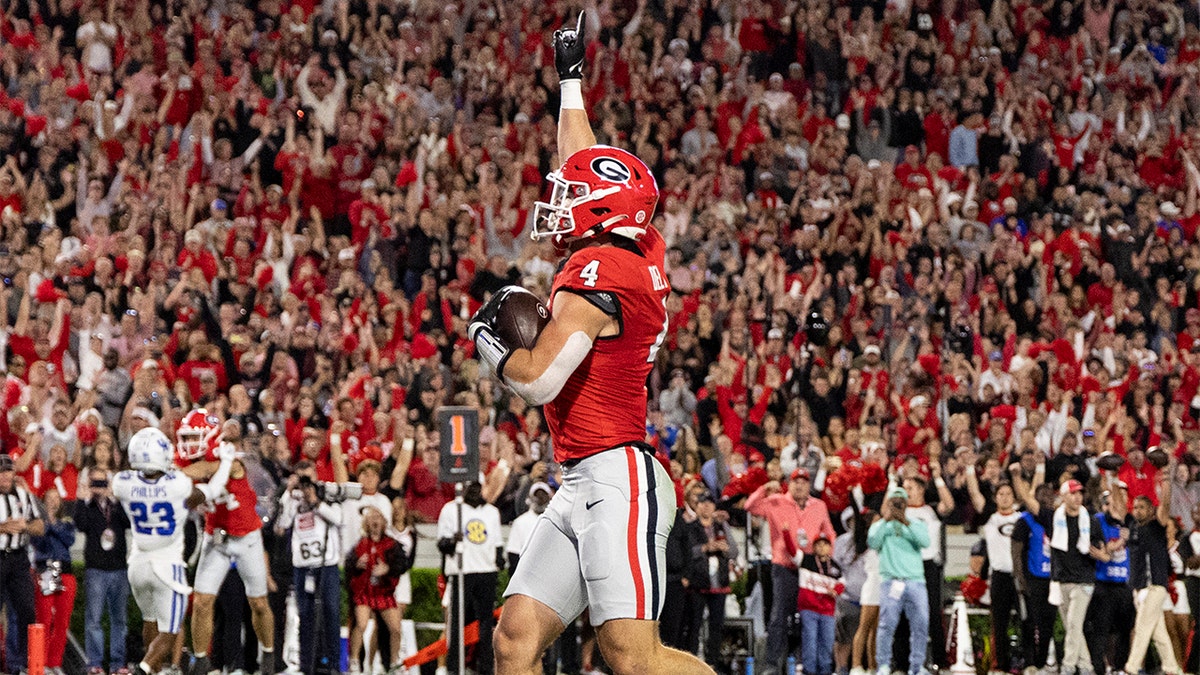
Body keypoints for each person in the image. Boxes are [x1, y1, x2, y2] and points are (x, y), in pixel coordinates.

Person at [470, 14, 712, 675]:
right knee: (516, 637)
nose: (559, 195)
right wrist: (570, 80)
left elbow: (539, 381)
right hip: (580, 476)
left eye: (573, 195)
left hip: (616, 477)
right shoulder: (631, 241)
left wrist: (485, 339)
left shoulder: (597, 275)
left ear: (604, 211)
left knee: (632, 659)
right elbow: (582, 158)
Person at [113, 427, 235, 675]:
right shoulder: (176, 485)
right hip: (167, 565)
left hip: (137, 563)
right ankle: (145, 669)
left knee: (150, 620)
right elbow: (209, 491)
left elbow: (136, 478)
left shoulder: (122, 483)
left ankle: (152, 670)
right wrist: (226, 462)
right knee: (170, 631)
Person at [184, 413, 290, 675]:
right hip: (216, 537)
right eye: (186, 437)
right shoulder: (188, 461)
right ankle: (200, 660)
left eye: (194, 437)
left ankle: (267, 652)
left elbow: (206, 470)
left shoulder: (226, 459)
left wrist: (169, 471)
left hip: (246, 538)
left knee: (259, 603)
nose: (189, 443)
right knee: (201, 602)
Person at [744, 468, 836, 673]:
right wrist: (765, 489)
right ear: (789, 484)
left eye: (804, 481)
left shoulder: (819, 505)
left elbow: (830, 533)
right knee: (779, 615)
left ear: (809, 485)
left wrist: (824, 559)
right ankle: (772, 664)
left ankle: (805, 663)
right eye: (796, 481)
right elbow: (750, 506)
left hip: (810, 569)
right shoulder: (776, 501)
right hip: (783, 566)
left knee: (809, 616)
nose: (800, 485)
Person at [275, 460, 343, 675]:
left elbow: (338, 518)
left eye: (308, 476)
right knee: (306, 615)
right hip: (303, 567)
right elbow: (283, 524)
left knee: (331, 612)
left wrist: (316, 501)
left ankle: (333, 664)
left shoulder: (327, 492)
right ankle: (306, 665)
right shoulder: (293, 498)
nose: (305, 482)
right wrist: (289, 493)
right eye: (301, 476)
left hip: (326, 564)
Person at [437, 481, 503, 675]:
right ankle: (454, 666)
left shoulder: (492, 512)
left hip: (486, 571)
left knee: (486, 622)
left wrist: (498, 560)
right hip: (461, 571)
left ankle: (485, 667)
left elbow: (497, 543)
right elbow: (442, 544)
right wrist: (452, 541)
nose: (473, 490)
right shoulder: (451, 509)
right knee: (457, 621)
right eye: (469, 486)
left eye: (476, 486)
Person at [1123, 471, 1181, 675]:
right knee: (1158, 632)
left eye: (1142, 507)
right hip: (1138, 586)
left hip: (1155, 584)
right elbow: (1119, 506)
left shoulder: (1157, 526)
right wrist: (1113, 481)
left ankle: (1131, 667)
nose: (1137, 511)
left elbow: (1165, 505)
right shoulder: (1133, 527)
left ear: (1150, 509)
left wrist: (1166, 482)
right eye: (1135, 507)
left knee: (1142, 626)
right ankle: (1172, 668)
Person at [868, 485, 930, 675]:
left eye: (901, 502)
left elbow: (925, 542)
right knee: (887, 625)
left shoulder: (916, 523)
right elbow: (872, 542)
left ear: (906, 504)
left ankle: (917, 666)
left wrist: (905, 522)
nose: (897, 505)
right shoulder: (881, 525)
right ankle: (884, 665)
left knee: (921, 624)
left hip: (915, 581)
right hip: (891, 581)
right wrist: (886, 519)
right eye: (894, 502)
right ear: (888, 503)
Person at [76, 466, 132, 675]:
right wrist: (83, 499)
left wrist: (117, 498)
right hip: (96, 569)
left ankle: (118, 664)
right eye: (95, 483)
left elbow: (129, 522)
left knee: (120, 620)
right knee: (94, 620)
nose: (99, 488)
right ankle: (95, 663)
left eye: (102, 483)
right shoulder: (88, 507)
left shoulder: (116, 506)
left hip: (118, 568)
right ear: (89, 484)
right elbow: (80, 525)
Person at [346, 506, 408, 675]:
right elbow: (349, 565)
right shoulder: (361, 544)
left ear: (383, 522)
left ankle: (395, 661)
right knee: (361, 624)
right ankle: (354, 660)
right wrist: (357, 565)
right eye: (372, 518)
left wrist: (387, 569)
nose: (375, 521)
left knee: (396, 627)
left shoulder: (391, 544)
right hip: (365, 592)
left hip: (383, 591)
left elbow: (402, 565)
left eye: (378, 518)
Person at [0, 453, 45, 674]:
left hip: (18, 558)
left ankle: (25, 663)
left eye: (8, 470)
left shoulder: (24, 495)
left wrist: (24, 526)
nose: (5, 476)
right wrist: (2, 528)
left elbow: (40, 525)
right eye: (1, 472)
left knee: (27, 610)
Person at [681, 490, 736, 670]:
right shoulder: (690, 527)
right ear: (697, 506)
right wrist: (705, 547)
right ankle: (691, 665)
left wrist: (725, 546)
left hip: (718, 583)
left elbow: (735, 551)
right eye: (702, 503)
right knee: (694, 626)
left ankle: (712, 665)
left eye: (710, 503)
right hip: (698, 583)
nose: (706, 506)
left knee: (716, 627)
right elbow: (686, 552)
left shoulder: (720, 526)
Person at [1084, 481, 1134, 675]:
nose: (1120, 499)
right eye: (1116, 494)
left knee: (1124, 630)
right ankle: (1099, 668)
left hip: (1126, 584)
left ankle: (1120, 668)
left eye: (1123, 495)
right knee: (1101, 630)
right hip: (1103, 582)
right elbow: (1094, 549)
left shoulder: (1132, 521)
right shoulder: (1097, 520)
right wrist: (1119, 542)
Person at [1049, 480, 1095, 675]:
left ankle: (1068, 666)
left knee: (1075, 624)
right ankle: (1086, 666)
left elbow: (1099, 544)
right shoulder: (1055, 519)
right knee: (1071, 627)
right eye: (1073, 493)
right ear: (1064, 496)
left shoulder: (1090, 520)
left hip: (1083, 580)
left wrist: (1104, 551)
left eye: (1080, 493)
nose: (1078, 497)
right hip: (1062, 580)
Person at [1011, 484, 1057, 675]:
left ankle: (1042, 661)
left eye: (1050, 495)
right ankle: (1029, 661)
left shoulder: (1057, 520)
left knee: (1048, 622)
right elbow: (1016, 551)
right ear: (1035, 499)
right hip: (1032, 579)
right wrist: (1020, 578)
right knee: (1030, 621)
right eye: (1042, 495)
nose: (1047, 498)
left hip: (1052, 580)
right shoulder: (1025, 521)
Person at [31, 489, 76, 675]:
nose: (52, 502)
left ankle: (54, 661)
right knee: (44, 618)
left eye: (56, 499)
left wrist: (51, 525)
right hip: (47, 569)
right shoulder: (37, 523)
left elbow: (69, 540)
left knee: (62, 620)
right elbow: (38, 542)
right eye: (49, 498)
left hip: (64, 569)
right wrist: (45, 524)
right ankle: (38, 663)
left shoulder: (66, 523)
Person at [981, 483, 1022, 675]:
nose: (1005, 497)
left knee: (1025, 620)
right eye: (1001, 494)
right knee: (999, 622)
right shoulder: (991, 520)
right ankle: (1000, 666)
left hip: (1020, 577)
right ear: (995, 497)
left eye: (1008, 494)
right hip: (999, 576)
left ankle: (1027, 661)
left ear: (1015, 497)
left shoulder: (1021, 520)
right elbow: (974, 494)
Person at [798, 534, 843, 675]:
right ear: (813, 547)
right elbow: (792, 551)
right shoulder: (806, 560)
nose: (821, 547)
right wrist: (787, 532)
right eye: (818, 544)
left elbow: (843, 582)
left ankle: (825, 670)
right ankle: (809, 670)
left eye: (825, 544)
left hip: (827, 611)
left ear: (830, 547)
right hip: (809, 608)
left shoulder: (835, 566)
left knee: (827, 642)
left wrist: (836, 591)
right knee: (810, 640)